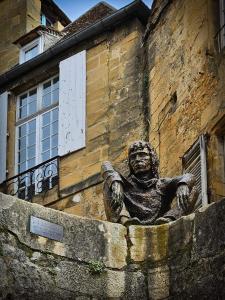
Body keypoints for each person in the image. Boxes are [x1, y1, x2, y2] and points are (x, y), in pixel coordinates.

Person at [101, 141, 198, 226]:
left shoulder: (162, 184)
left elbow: (190, 176)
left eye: (142, 155)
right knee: (108, 182)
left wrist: (183, 184)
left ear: (152, 159)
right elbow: (105, 165)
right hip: (130, 222)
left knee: (193, 190)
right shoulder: (126, 185)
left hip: (161, 222)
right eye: (133, 157)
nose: (137, 159)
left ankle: (170, 218)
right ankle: (123, 220)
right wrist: (115, 181)